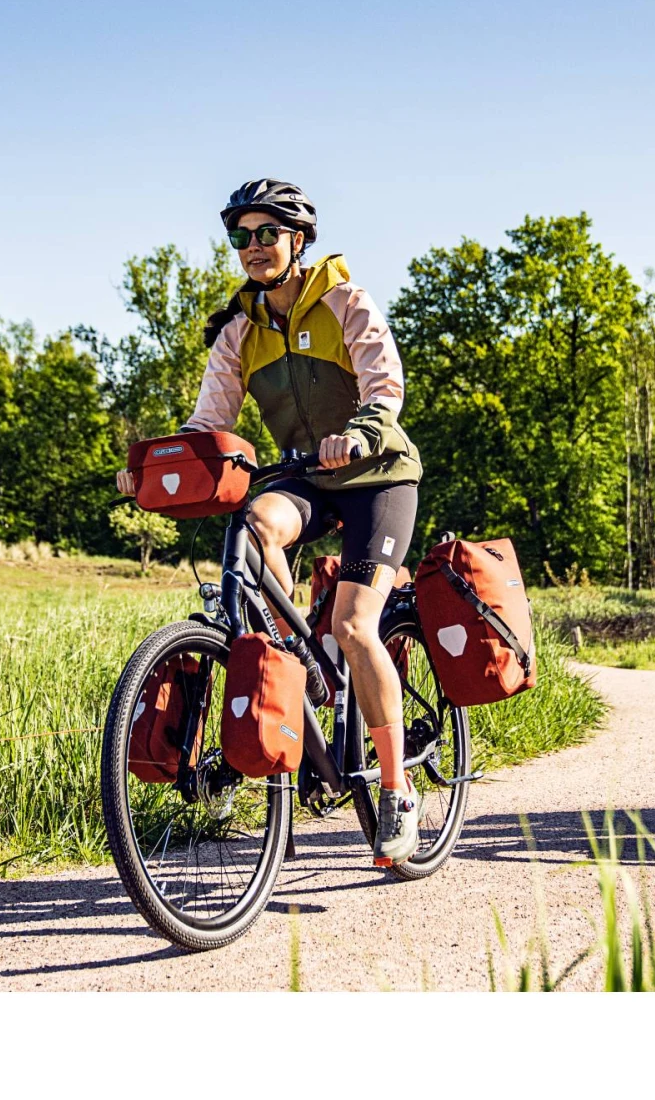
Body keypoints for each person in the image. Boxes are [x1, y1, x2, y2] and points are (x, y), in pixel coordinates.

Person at [116, 178, 425, 864]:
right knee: (254, 523)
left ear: (298, 239)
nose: (253, 247)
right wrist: (155, 467)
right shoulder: (239, 331)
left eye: (267, 233)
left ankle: (398, 792)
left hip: (377, 474)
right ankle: (293, 657)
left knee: (354, 625)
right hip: (306, 477)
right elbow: (208, 423)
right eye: (241, 236)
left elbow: (384, 384)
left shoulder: (345, 302)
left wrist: (362, 431)